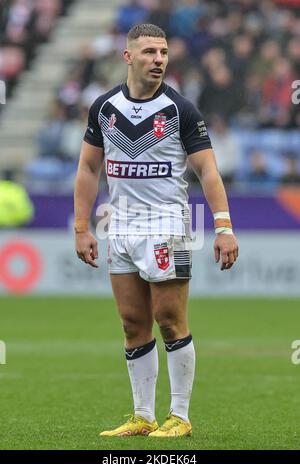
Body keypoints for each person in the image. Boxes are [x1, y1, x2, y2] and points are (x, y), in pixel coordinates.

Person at [74, 24, 238, 438]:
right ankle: (142, 415)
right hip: (120, 224)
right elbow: (89, 168)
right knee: (133, 323)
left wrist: (223, 227)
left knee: (169, 318)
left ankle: (179, 417)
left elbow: (207, 170)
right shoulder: (104, 107)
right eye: (149, 51)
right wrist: (81, 227)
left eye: (163, 51)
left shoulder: (181, 109)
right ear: (128, 57)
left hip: (168, 226)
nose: (159, 59)